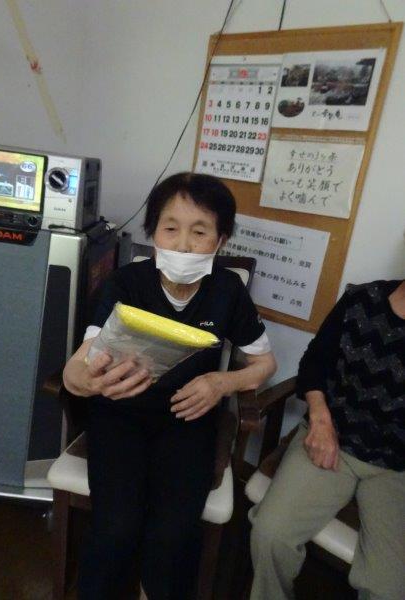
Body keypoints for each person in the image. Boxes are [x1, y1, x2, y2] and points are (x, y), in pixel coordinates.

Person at [63, 172, 277, 600]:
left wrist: (221, 382)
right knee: (116, 527)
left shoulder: (228, 290)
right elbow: (77, 366)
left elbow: (263, 364)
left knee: (173, 534)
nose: (183, 245)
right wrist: (84, 380)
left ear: (221, 240)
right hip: (120, 417)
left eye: (199, 232)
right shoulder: (126, 283)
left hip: (187, 420)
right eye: (170, 228)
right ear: (153, 233)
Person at [249, 278, 405, 600]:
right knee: (271, 535)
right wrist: (320, 421)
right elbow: (314, 364)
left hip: (396, 467)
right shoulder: (361, 299)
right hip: (331, 435)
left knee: (388, 587)